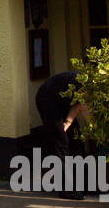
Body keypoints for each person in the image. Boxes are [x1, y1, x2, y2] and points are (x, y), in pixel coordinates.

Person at [34, 70, 91, 198]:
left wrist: (68, 121)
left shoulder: (94, 86)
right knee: (61, 141)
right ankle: (67, 190)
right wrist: (96, 131)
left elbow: (77, 104)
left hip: (65, 103)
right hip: (48, 100)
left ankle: (87, 185)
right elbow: (84, 108)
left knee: (77, 139)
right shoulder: (85, 83)